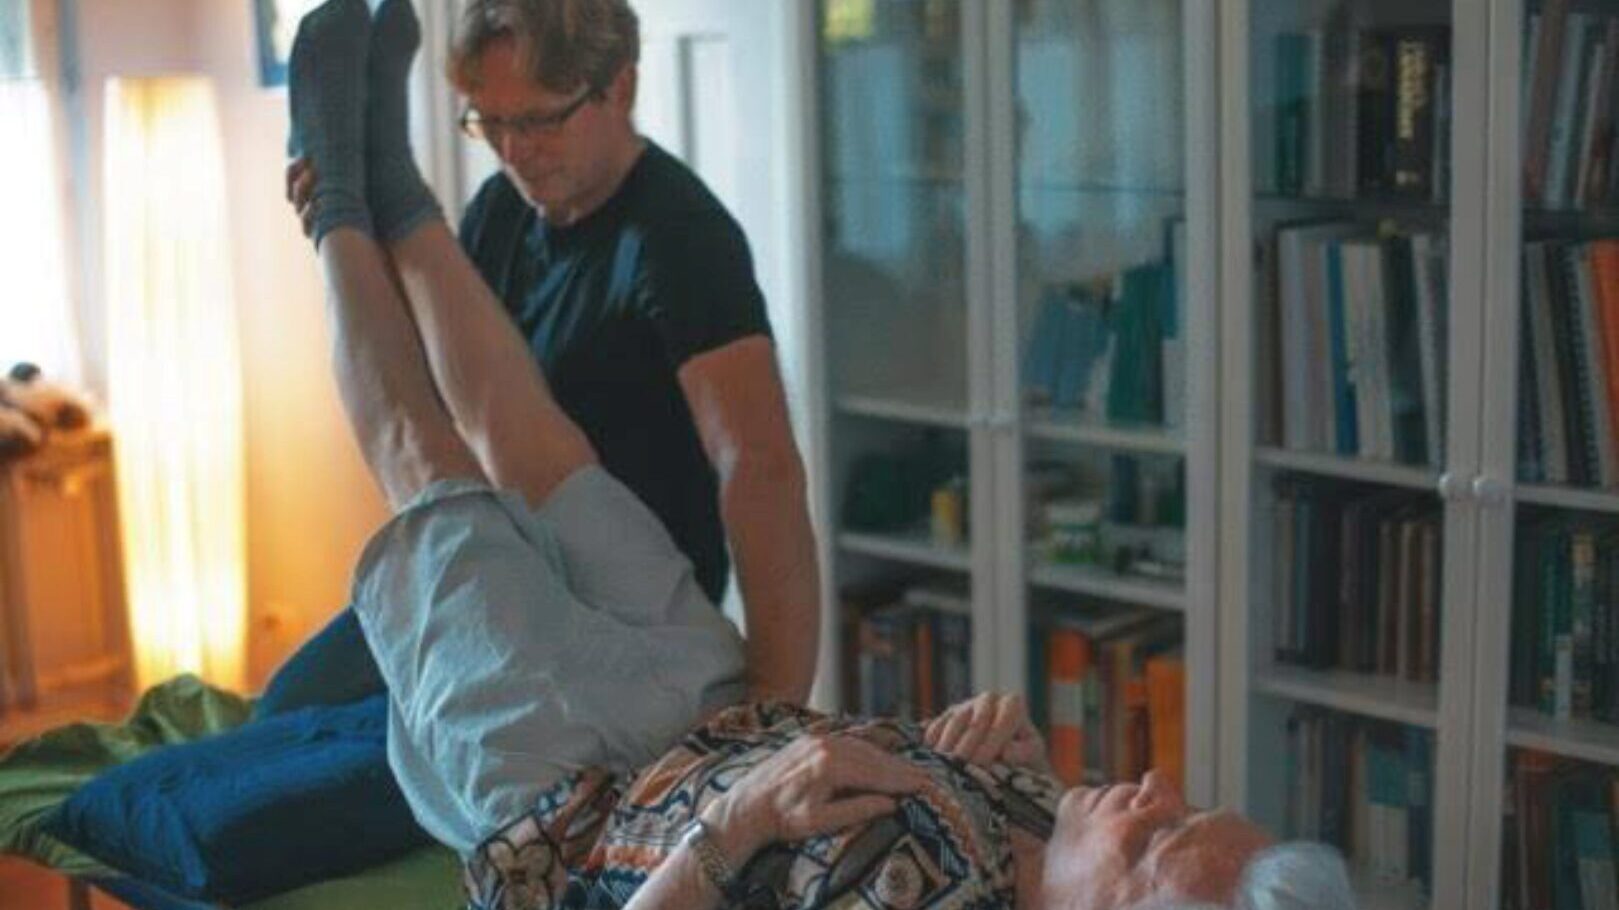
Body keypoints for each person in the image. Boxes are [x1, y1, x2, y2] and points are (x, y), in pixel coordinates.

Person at [285, 2, 1357, 907]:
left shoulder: (677, 233)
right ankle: (385, 181)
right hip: (705, 699)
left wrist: (743, 814)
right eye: (1190, 804)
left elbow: (759, 463)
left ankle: (338, 194)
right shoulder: (1053, 824)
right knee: (545, 455)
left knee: (432, 482)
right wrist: (982, 763)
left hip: (587, 792)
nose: (1157, 786)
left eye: (1159, 838)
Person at [281, 0, 819, 711]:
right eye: (490, 122)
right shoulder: (500, 210)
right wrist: (350, 233)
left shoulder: (682, 237)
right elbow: (427, 391)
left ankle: (369, 190)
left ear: (619, 87)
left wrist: (775, 699)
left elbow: (759, 463)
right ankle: (351, 203)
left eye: (538, 120)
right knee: (291, 699)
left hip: (621, 613)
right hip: (506, 566)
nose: (514, 150)